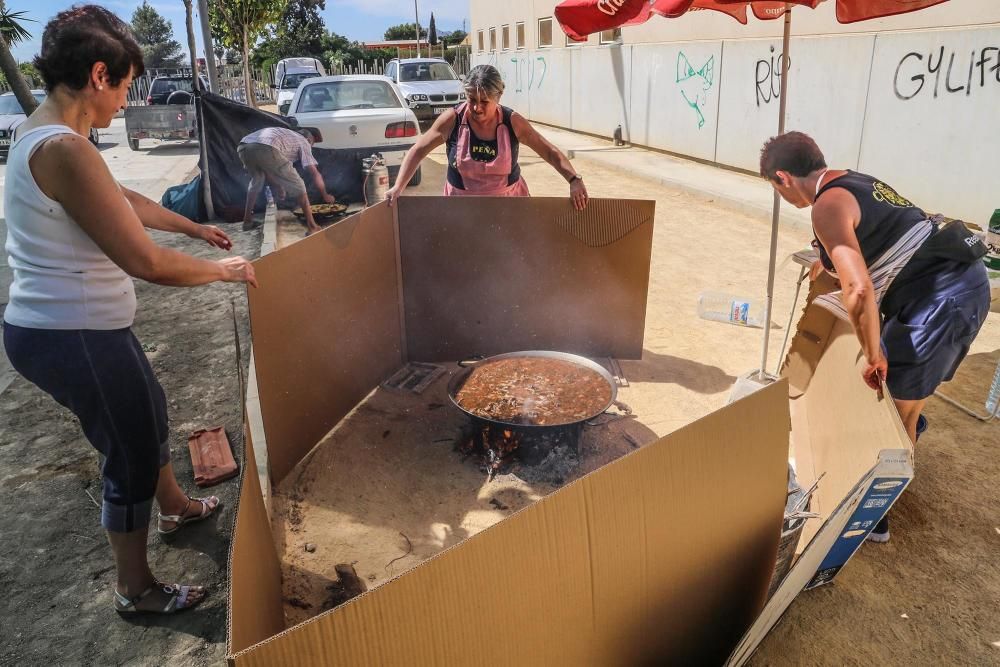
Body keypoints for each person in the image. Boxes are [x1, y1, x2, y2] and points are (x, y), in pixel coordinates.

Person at [2, 6, 258, 615]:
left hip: (85, 328)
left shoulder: (48, 132)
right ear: (98, 75)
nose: (124, 100)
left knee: (149, 410)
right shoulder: (64, 148)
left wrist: (192, 227)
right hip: (73, 334)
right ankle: (136, 588)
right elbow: (146, 263)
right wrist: (221, 272)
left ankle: (173, 509)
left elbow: (123, 200)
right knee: (132, 450)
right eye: (123, 86)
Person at [760, 132, 990, 543]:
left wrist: (872, 352)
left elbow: (860, 289)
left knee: (889, 411)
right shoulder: (853, 181)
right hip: (959, 286)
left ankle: (872, 519)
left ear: (783, 176)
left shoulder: (826, 205)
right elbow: (883, 237)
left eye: (776, 188)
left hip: (938, 301)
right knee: (906, 405)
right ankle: (885, 481)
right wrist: (828, 260)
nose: (782, 197)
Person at [385, 65, 588, 210]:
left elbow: (549, 151)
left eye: (484, 101)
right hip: (462, 210)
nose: (476, 108)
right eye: (472, 99)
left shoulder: (512, 122)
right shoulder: (453, 120)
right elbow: (419, 150)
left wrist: (573, 179)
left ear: (498, 96)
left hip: (509, 208)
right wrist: (398, 187)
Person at [237, 126, 335, 235]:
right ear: (309, 140)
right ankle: (312, 226)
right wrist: (325, 195)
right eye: (313, 144)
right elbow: (314, 172)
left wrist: (279, 187)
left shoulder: (287, 136)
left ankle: (247, 222)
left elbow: (268, 169)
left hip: (244, 146)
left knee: (257, 180)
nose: (311, 147)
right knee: (299, 185)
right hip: (267, 146)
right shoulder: (303, 141)